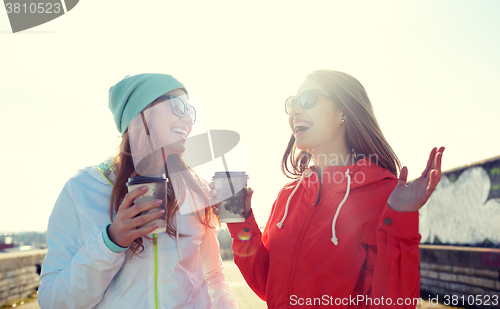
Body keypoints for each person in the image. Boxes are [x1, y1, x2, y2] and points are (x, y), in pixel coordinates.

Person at [210, 70, 444, 308]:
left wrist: (400, 218)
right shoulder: (288, 195)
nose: (294, 110)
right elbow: (265, 284)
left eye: (308, 99)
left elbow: (395, 303)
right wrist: (240, 219)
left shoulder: (386, 196)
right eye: (292, 102)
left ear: (343, 112)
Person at [38, 73, 238, 309]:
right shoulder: (82, 190)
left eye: (190, 110)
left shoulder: (196, 189)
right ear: (142, 114)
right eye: (177, 106)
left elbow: (213, 276)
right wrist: (111, 241)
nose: (189, 120)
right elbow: (53, 301)